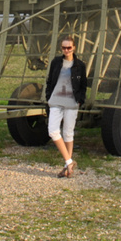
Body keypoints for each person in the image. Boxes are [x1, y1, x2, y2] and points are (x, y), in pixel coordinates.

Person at [44, 35, 87, 178]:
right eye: (64, 47)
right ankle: (69, 161)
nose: (66, 50)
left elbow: (83, 85)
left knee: (68, 133)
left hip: (71, 103)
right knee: (53, 131)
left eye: (69, 47)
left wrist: (80, 100)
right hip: (56, 101)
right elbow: (50, 81)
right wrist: (49, 97)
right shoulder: (56, 62)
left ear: (74, 48)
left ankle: (67, 167)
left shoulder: (80, 65)